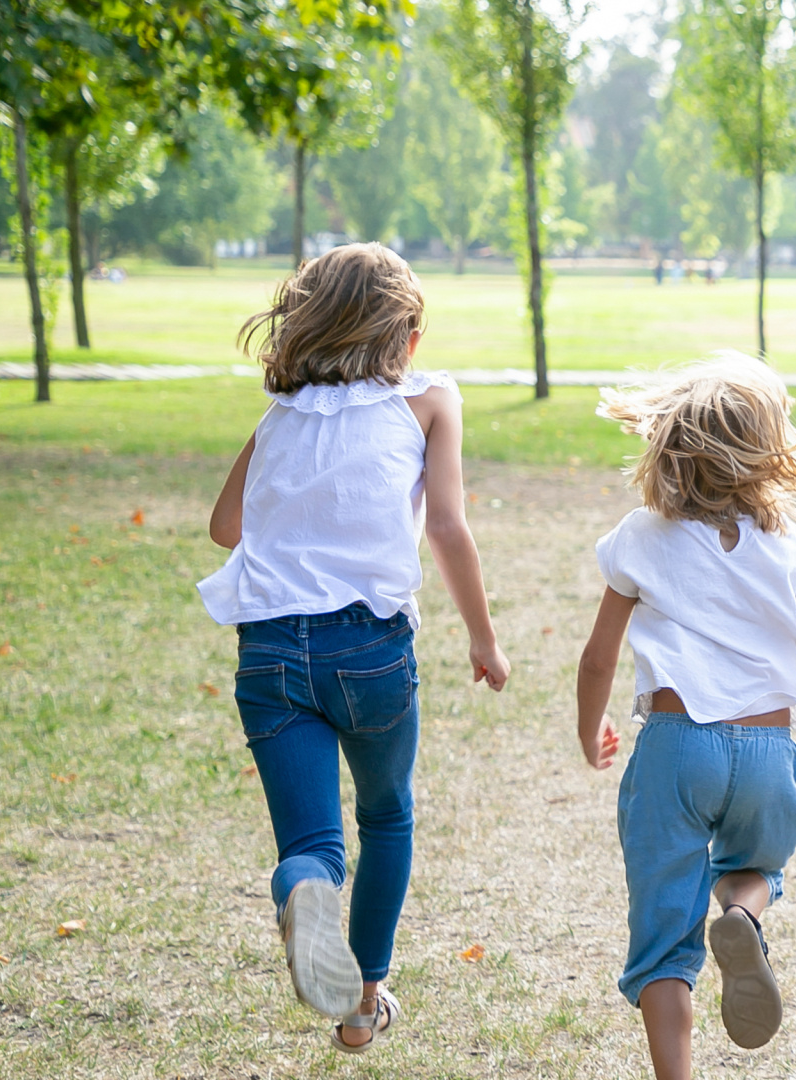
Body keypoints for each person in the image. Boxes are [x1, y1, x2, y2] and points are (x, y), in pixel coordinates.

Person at [200, 243, 510, 1053]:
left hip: (269, 653)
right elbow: (448, 527)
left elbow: (225, 528)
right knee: (387, 815)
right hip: (369, 649)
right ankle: (363, 1004)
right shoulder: (429, 400)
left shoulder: (281, 414)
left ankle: (305, 890)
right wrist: (483, 637)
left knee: (311, 846)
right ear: (406, 337)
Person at [573, 356, 796, 1080]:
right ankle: (744, 917)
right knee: (755, 868)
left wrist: (588, 725)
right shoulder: (792, 542)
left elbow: (599, 657)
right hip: (765, 748)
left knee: (664, 941)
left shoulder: (641, 534)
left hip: (675, 747)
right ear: (768, 455)